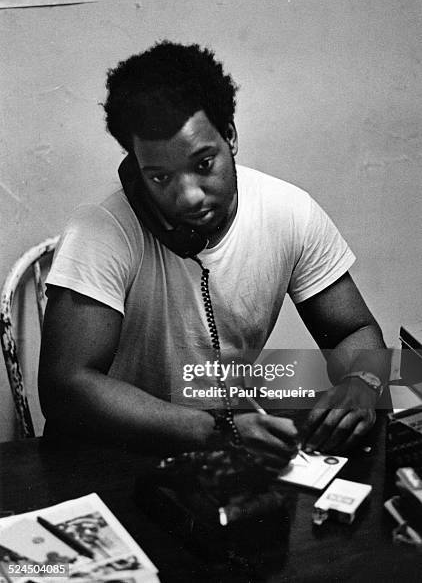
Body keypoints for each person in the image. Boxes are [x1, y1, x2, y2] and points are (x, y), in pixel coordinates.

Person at [38, 41, 388, 467]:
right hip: (115, 455)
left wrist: (363, 381)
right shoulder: (102, 229)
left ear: (232, 137)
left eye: (204, 164)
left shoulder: (289, 211)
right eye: (160, 176)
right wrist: (215, 430)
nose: (187, 196)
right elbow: (65, 388)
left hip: (222, 451)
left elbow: (355, 329)